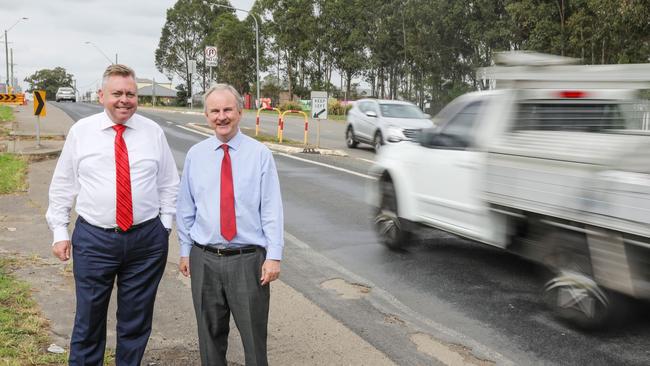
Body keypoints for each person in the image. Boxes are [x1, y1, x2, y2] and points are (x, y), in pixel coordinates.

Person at [46, 64, 179, 365]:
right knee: (89, 321)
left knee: (136, 322)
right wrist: (59, 232)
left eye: (130, 94)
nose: (124, 100)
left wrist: (164, 226)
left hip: (146, 241)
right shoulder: (82, 132)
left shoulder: (152, 132)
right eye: (117, 93)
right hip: (95, 240)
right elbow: (63, 185)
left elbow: (169, 183)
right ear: (101, 95)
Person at [176, 83, 284, 366]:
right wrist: (185, 251)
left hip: (247, 261)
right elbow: (186, 207)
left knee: (253, 341)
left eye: (227, 110)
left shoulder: (260, 155)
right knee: (209, 339)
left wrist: (273, 256)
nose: (221, 116)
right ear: (206, 115)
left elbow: (271, 208)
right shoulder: (195, 155)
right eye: (215, 111)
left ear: (240, 112)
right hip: (204, 258)